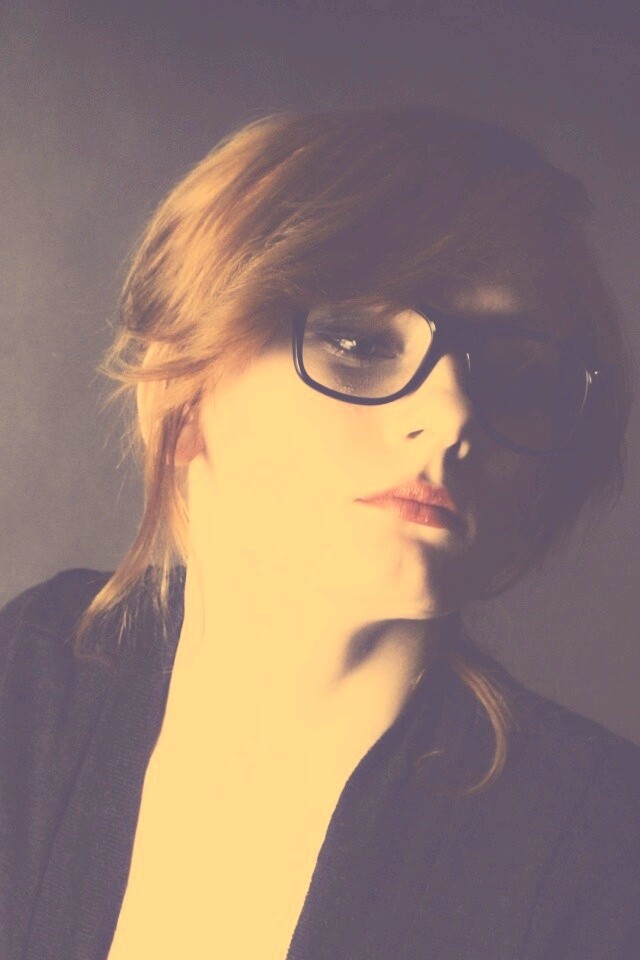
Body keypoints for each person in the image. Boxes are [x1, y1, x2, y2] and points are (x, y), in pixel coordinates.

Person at [1, 105, 638, 960]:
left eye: (517, 374)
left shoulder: (600, 856)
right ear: (183, 389)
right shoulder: (31, 680)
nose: (452, 414)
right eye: (359, 341)